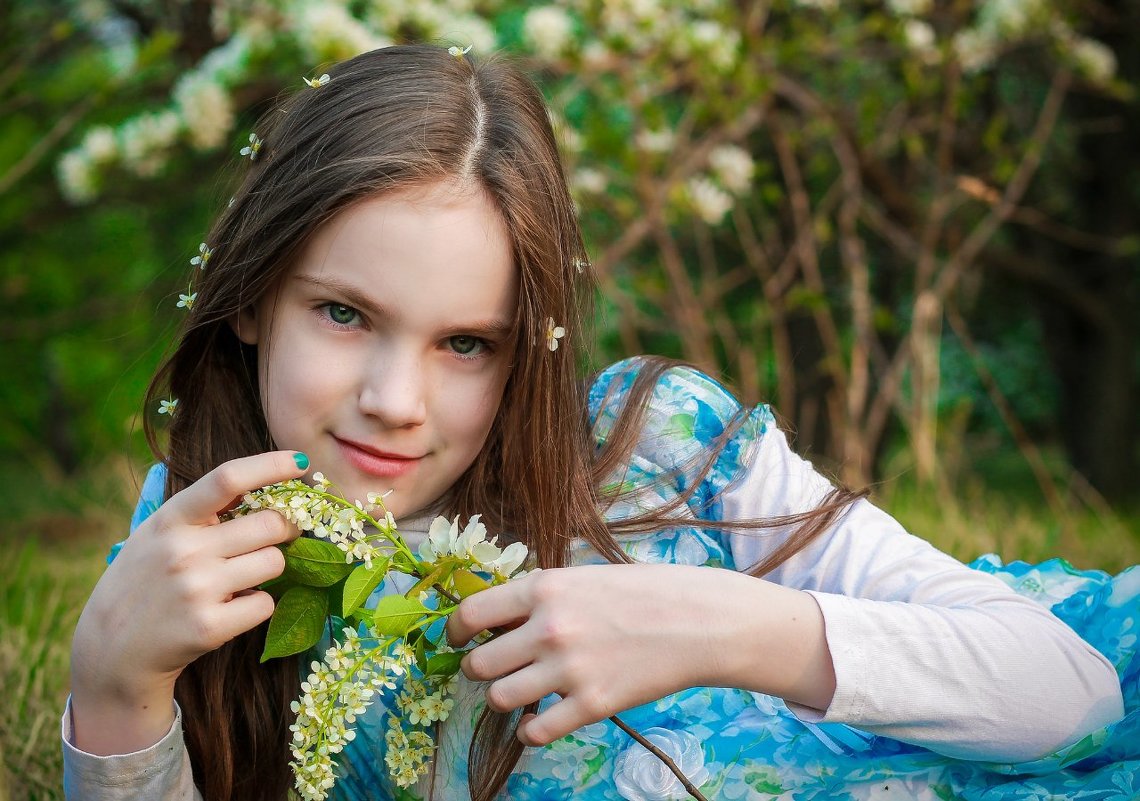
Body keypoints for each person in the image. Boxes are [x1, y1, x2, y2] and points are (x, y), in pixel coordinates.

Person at [63, 44, 1133, 801]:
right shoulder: (208, 545)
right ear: (254, 298)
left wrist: (717, 626)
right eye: (344, 314)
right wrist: (114, 689)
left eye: (466, 343)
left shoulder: (657, 445)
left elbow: (1069, 698)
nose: (396, 399)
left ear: (529, 346)